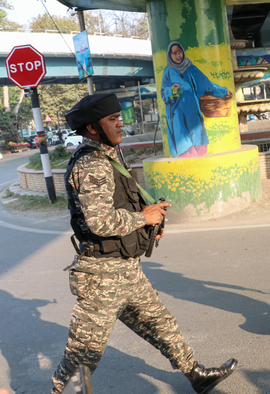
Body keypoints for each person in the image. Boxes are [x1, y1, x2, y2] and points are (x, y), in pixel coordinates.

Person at [51, 94, 237, 394]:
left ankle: (196, 375)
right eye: (112, 120)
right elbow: (100, 222)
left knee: (162, 325)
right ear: (93, 128)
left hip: (126, 271)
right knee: (82, 356)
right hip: (102, 278)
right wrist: (142, 219)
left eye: (117, 117)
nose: (119, 122)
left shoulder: (109, 156)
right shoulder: (92, 165)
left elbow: (121, 204)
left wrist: (149, 226)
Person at [161, 41, 232, 157]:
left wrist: (223, 91)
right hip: (178, 115)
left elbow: (207, 85)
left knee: (200, 146)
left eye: (179, 52)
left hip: (193, 113)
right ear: (170, 55)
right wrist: (172, 91)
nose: (178, 56)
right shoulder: (168, 72)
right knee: (185, 149)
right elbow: (163, 94)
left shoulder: (191, 69)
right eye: (174, 53)